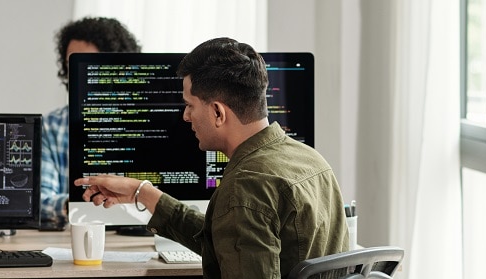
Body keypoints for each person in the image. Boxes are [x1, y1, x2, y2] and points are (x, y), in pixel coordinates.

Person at [74, 38, 349, 278]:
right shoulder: (312, 161)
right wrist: (141, 192)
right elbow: (225, 242)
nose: (185, 116)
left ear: (218, 112)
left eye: (189, 105)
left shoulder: (246, 186)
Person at [41, 17, 141, 229]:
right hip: (78, 237)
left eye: (91, 65)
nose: (79, 75)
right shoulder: (51, 127)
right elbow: (39, 202)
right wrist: (85, 203)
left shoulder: (147, 124)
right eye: (72, 65)